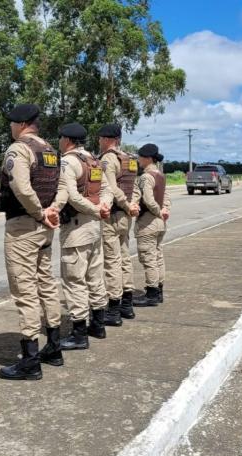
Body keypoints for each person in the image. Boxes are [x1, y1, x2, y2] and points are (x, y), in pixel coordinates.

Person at [0, 104, 63, 380]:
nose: (11, 128)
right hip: (45, 227)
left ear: (21, 124)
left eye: (12, 123)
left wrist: (38, 212)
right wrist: (52, 211)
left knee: (25, 291)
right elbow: (61, 187)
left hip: (24, 226)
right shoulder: (49, 150)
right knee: (46, 284)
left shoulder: (19, 149)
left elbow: (21, 187)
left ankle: (30, 360)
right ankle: (54, 347)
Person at [51, 123, 113, 350]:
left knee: (74, 280)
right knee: (95, 276)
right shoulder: (94, 161)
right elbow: (106, 189)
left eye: (60, 139)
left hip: (77, 228)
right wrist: (103, 207)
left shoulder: (68, 162)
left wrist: (98, 209)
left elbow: (71, 195)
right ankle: (97, 324)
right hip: (95, 226)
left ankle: (79, 333)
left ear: (66, 140)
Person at [97, 123, 138, 324]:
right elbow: (135, 187)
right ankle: (127, 304)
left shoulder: (108, 159)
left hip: (113, 215)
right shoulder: (129, 159)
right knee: (125, 258)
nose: (99, 142)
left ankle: (113, 309)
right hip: (126, 217)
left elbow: (111, 189)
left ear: (106, 139)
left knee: (112, 261)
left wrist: (126, 204)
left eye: (100, 138)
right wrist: (132, 205)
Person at [131, 143, 170, 307]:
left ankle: (152, 293)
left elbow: (147, 199)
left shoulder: (146, 177)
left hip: (148, 222)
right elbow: (166, 197)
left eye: (140, 157)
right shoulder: (160, 175)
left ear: (147, 158)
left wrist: (157, 210)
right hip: (160, 224)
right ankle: (159, 290)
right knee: (158, 257)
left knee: (148, 259)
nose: (138, 160)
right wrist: (164, 210)